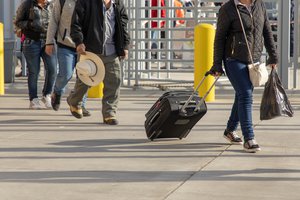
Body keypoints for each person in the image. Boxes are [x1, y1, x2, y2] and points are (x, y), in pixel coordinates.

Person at [208, 0, 278, 153]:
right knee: (245, 94)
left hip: (253, 60)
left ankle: (230, 130)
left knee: (241, 95)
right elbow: (219, 38)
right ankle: (249, 138)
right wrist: (217, 65)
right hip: (233, 59)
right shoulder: (228, 9)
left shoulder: (259, 5)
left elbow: (266, 31)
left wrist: (273, 56)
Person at [67, 0, 130, 125]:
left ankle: (109, 113)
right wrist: (79, 42)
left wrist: (125, 45)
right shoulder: (86, 2)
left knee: (114, 81)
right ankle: (74, 101)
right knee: (85, 82)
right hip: (90, 50)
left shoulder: (117, 4)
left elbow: (123, 25)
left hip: (112, 51)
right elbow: (76, 24)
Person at [45, 0, 91, 117]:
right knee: (66, 74)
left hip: (85, 46)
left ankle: (80, 103)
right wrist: (49, 42)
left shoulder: (91, 2)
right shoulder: (62, 1)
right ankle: (57, 92)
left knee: (84, 77)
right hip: (65, 44)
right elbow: (54, 21)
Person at [15, 0, 57, 109]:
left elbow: (57, 21)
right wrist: (30, 24)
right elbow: (18, 21)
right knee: (34, 72)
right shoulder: (27, 4)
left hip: (48, 42)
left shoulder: (52, 5)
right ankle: (33, 99)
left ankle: (47, 94)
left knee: (52, 69)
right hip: (31, 42)